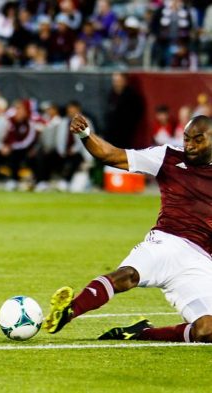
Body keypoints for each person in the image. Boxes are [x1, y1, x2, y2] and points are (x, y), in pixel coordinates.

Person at [44, 113, 212, 343]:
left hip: (199, 262)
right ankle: (70, 310)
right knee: (128, 275)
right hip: (166, 242)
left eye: (198, 139)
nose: (189, 145)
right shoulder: (168, 156)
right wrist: (85, 134)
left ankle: (141, 333)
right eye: (186, 138)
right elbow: (111, 155)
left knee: (206, 330)